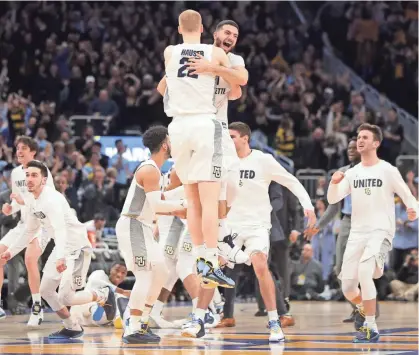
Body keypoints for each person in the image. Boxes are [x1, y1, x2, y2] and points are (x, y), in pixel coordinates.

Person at [162, 9, 235, 293]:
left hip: (177, 127)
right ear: (204, 28)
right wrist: (214, 68)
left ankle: (201, 260)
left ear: (179, 29)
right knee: (209, 200)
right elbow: (239, 79)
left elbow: (164, 84)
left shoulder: (169, 52)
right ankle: (210, 259)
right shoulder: (213, 53)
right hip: (204, 124)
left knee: (192, 200)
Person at [326, 123, 418, 343]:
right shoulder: (352, 172)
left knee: (366, 272)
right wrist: (332, 183)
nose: (360, 140)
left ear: (376, 143)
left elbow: (407, 195)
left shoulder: (387, 170)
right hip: (358, 233)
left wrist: (413, 208)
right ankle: (363, 306)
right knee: (348, 287)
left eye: (365, 137)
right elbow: (332, 199)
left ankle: (371, 327)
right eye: (358, 137)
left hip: (381, 230)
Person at [224, 122, 316, 342]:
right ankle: (203, 316)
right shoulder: (223, 162)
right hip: (229, 227)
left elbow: (291, 181)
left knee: (260, 265)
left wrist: (308, 206)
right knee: (212, 268)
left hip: (257, 226)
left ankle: (275, 320)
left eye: (232, 136)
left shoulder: (263, 160)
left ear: (245, 138)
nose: (228, 140)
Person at [0, 160, 107, 339]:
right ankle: (72, 327)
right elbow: (30, 231)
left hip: (77, 248)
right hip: (62, 248)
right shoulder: (32, 200)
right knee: (46, 290)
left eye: (34, 175)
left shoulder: (51, 200)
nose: (29, 179)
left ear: (44, 180)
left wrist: (61, 258)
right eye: (27, 175)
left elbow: (60, 230)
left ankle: (102, 294)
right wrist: (11, 250)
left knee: (67, 297)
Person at [115, 125, 186, 344]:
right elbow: (157, 205)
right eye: (171, 140)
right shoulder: (150, 170)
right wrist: (184, 205)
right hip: (133, 225)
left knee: (162, 271)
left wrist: (183, 204)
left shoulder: (154, 169)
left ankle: (143, 321)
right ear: (165, 144)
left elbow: (161, 200)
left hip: (142, 226)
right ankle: (132, 326)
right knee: (145, 274)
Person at [0, 136, 55, 326]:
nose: (19, 151)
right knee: (0, 256)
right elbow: (18, 200)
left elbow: (49, 199)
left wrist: (24, 202)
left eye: (23, 148)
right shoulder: (15, 173)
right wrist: (11, 208)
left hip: (41, 223)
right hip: (24, 223)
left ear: (33, 152)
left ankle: (37, 306)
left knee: (30, 259)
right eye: (17, 148)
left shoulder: (42, 170)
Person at [305, 137, 361, 322]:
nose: (351, 150)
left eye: (355, 148)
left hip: (369, 222)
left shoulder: (372, 171)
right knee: (340, 270)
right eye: (349, 148)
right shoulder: (342, 173)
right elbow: (333, 206)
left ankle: (368, 311)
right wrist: (317, 226)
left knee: (366, 270)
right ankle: (358, 307)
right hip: (347, 221)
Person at [71, 262, 130, 328]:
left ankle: (121, 319)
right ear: (110, 270)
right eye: (117, 270)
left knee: (121, 300)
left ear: (125, 276)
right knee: (107, 294)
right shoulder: (100, 274)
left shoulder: (116, 296)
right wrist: (121, 291)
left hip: (96, 321)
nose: (119, 274)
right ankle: (104, 309)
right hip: (83, 309)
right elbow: (94, 282)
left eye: (123, 273)